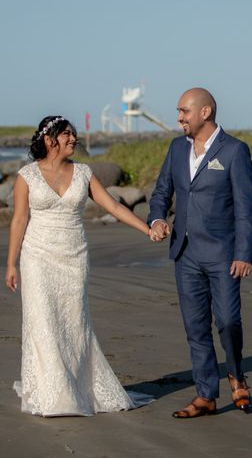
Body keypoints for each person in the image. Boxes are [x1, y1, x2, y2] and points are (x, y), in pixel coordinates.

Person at [5, 115, 157, 417]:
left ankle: (77, 385)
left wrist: (147, 228)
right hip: (37, 258)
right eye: (67, 135)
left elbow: (112, 205)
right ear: (50, 140)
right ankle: (53, 394)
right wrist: (11, 263)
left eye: (74, 134)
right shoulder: (27, 176)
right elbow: (19, 220)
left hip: (74, 258)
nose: (74, 139)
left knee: (74, 322)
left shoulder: (84, 172)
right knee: (44, 323)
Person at [148, 87, 252, 418]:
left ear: (205, 112)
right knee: (195, 328)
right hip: (185, 254)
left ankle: (236, 373)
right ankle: (206, 395)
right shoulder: (176, 148)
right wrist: (156, 218)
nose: (179, 117)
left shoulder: (235, 151)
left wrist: (244, 253)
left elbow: (246, 208)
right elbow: (162, 192)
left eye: (184, 111)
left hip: (224, 254)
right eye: (179, 111)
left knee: (226, 321)